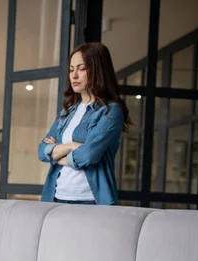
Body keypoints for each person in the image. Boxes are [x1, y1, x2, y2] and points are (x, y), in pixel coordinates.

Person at [38, 42, 133, 205]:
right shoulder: (67, 112)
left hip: (89, 200)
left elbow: (88, 155)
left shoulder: (110, 111)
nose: (74, 76)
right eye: (71, 69)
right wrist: (73, 146)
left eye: (81, 69)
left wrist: (56, 155)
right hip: (56, 197)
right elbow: (42, 151)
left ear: (97, 71)